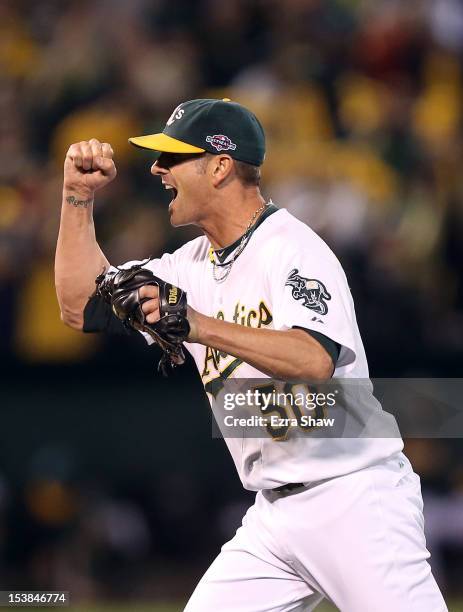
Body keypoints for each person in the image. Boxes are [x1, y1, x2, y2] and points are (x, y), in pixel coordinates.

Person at [55, 98, 447, 611]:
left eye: (173, 157)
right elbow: (79, 305)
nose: (157, 168)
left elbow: (314, 360)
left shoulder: (292, 249)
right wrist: (77, 197)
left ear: (220, 166)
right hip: (272, 518)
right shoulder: (187, 266)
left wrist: (196, 323)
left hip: (353, 496)